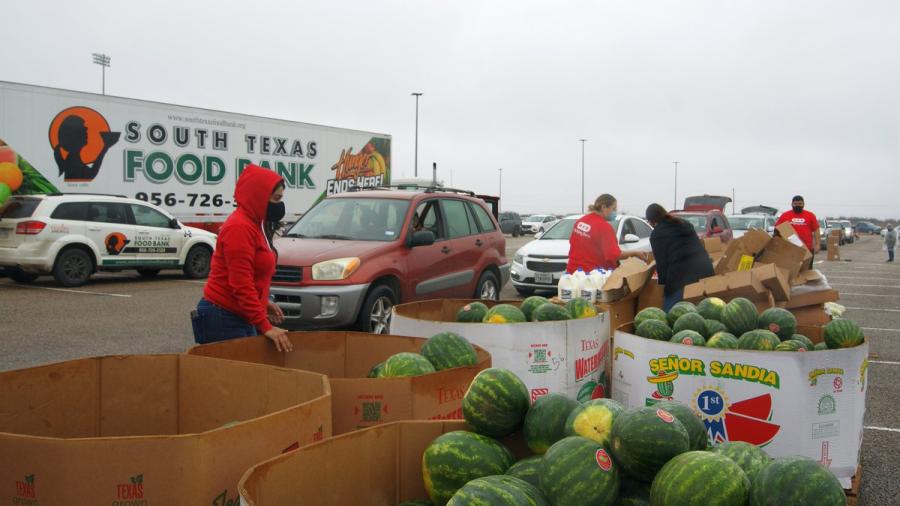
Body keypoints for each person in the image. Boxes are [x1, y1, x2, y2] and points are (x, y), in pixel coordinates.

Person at [191, 164, 293, 352]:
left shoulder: (256, 224)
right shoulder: (239, 228)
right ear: (259, 196)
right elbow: (241, 283)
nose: (280, 205)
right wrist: (266, 326)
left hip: (239, 315)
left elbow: (252, 276)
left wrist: (263, 303)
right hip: (224, 318)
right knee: (235, 379)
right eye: (276, 198)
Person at [645, 203, 715, 311]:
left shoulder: (657, 234)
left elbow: (662, 264)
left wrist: (664, 289)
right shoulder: (684, 223)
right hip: (705, 271)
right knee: (705, 313)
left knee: (671, 317)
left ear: (651, 221)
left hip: (681, 278)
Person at [567, 194, 648, 273]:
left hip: (572, 274)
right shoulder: (604, 227)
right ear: (604, 207)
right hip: (592, 277)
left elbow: (573, 243)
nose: (615, 212)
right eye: (614, 209)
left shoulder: (580, 221)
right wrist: (635, 253)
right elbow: (613, 255)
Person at [775, 195, 820, 268]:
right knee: (791, 271)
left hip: (807, 249)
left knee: (806, 271)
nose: (797, 206)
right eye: (795, 204)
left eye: (800, 204)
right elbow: (777, 229)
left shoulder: (810, 215)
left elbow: (816, 230)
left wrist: (817, 244)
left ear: (803, 204)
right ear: (792, 204)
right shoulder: (785, 215)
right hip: (790, 249)